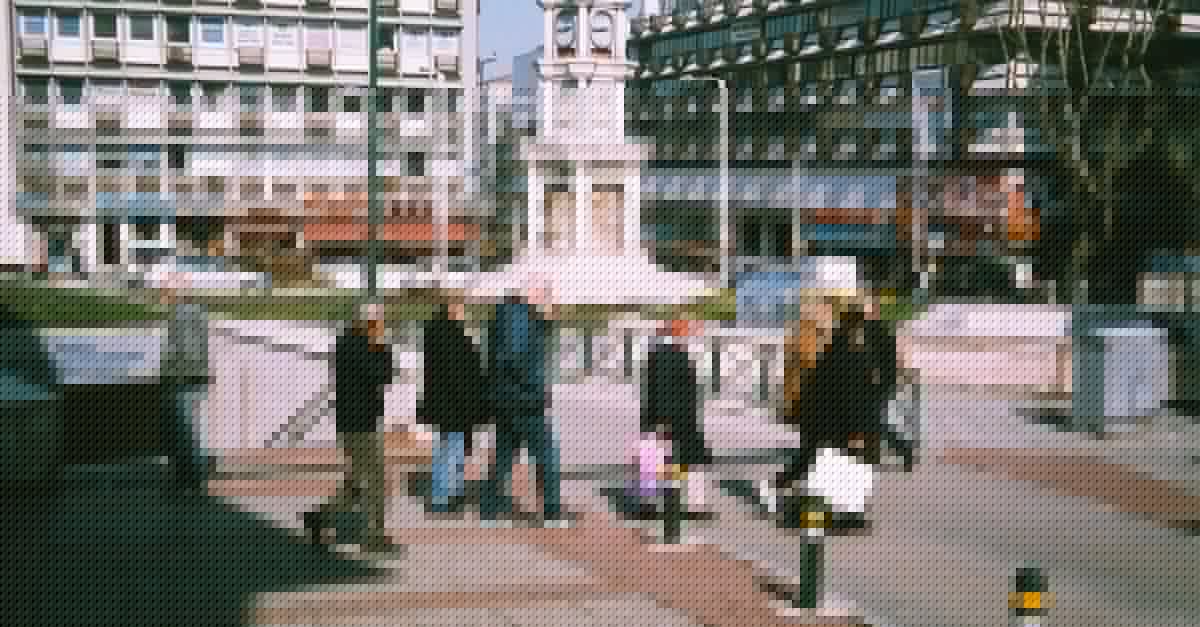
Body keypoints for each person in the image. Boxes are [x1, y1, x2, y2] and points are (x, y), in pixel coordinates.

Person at [772, 298, 915, 514]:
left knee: (824, 450)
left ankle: (796, 487)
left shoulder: (848, 344)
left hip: (839, 411)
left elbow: (886, 365)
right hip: (838, 411)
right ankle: (806, 491)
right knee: (830, 450)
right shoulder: (847, 346)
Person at [303, 304, 403, 554]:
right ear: (370, 323)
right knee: (378, 479)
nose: (382, 326)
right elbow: (383, 375)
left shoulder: (346, 343)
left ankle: (319, 516)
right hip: (362, 425)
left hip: (350, 423)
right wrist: (382, 346)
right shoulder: (362, 347)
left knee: (356, 484)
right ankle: (374, 537)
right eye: (379, 321)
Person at [478, 282, 573, 527]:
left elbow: (520, 350)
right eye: (546, 292)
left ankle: (488, 511)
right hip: (523, 401)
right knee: (547, 455)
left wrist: (545, 321)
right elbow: (516, 358)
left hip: (508, 399)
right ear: (531, 293)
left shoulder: (512, 313)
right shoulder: (517, 316)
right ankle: (552, 512)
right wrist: (537, 390)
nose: (549, 297)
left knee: (503, 458)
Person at [639, 318, 713, 528]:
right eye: (690, 332)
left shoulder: (659, 353)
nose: (693, 336)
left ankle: (650, 504)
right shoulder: (671, 355)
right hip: (676, 419)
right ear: (679, 334)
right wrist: (663, 422)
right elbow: (663, 390)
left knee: (657, 460)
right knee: (685, 461)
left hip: (670, 418)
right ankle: (693, 507)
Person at [418, 296, 489, 515]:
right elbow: (460, 373)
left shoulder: (438, 332)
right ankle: (443, 497)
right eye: (461, 307)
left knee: (449, 448)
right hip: (455, 404)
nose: (463, 311)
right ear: (452, 308)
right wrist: (472, 402)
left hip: (444, 403)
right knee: (451, 449)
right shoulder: (451, 336)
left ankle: (451, 492)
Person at [160, 277, 214, 495]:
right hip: (197, 378)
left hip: (184, 380)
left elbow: (182, 349)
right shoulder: (199, 313)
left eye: (166, 292)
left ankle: (189, 481)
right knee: (194, 432)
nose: (163, 297)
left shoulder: (179, 315)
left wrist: (168, 370)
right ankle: (193, 479)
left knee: (185, 434)